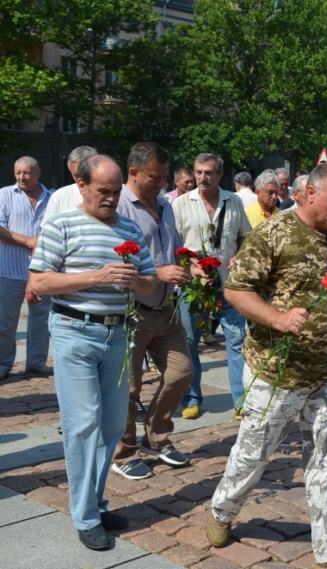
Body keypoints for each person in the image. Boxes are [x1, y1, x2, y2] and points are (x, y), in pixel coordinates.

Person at [207, 162, 327, 569]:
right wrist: (277, 319)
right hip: (275, 371)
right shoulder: (274, 234)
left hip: (325, 371)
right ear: (309, 194)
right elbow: (236, 290)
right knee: (254, 455)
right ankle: (222, 511)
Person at [29, 154, 158, 549]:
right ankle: (85, 516)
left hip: (118, 335)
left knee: (112, 426)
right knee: (83, 423)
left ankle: (95, 504)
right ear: (82, 186)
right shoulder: (62, 224)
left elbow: (152, 284)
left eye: (117, 191)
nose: (112, 199)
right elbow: (39, 282)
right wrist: (97, 276)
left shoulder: (128, 227)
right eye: (104, 191)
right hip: (73, 332)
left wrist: (138, 282)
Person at [110, 142, 196, 480]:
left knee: (181, 373)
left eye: (164, 177)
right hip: (132, 310)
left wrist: (191, 263)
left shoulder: (165, 205)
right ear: (133, 172)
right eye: (155, 177)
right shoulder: (117, 206)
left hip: (167, 308)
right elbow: (115, 260)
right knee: (127, 388)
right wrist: (158, 273)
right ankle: (124, 451)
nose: (162, 184)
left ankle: (156, 438)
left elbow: (171, 247)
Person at [172, 153, 251, 417]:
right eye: (198, 172)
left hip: (228, 285)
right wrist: (191, 267)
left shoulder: (234, 201)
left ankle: (241, 401)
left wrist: (240, 255)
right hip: (193, 286)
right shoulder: (181, 203)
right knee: (189, 341)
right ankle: (191, 399)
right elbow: (173, 246)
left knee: (238, 339)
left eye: (208, 173)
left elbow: (245, 237)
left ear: (220, 174)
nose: (202, 178)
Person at [0, 157, 52, 379]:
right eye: (18, 172)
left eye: (27, 172)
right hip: (10, 269)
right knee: (6, 321)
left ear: (38, 173)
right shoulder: (4, 195)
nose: (22, 177)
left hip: (42, 271)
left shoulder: (52, 198)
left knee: (41, 319)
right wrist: (29, 242)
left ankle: (36, 363)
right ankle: (3, 365)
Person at [41, 146, 98, 221]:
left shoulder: (115, 194)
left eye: (84, 174)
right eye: (76, 175)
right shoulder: (59, 196)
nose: (80, 180)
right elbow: (47, 231)